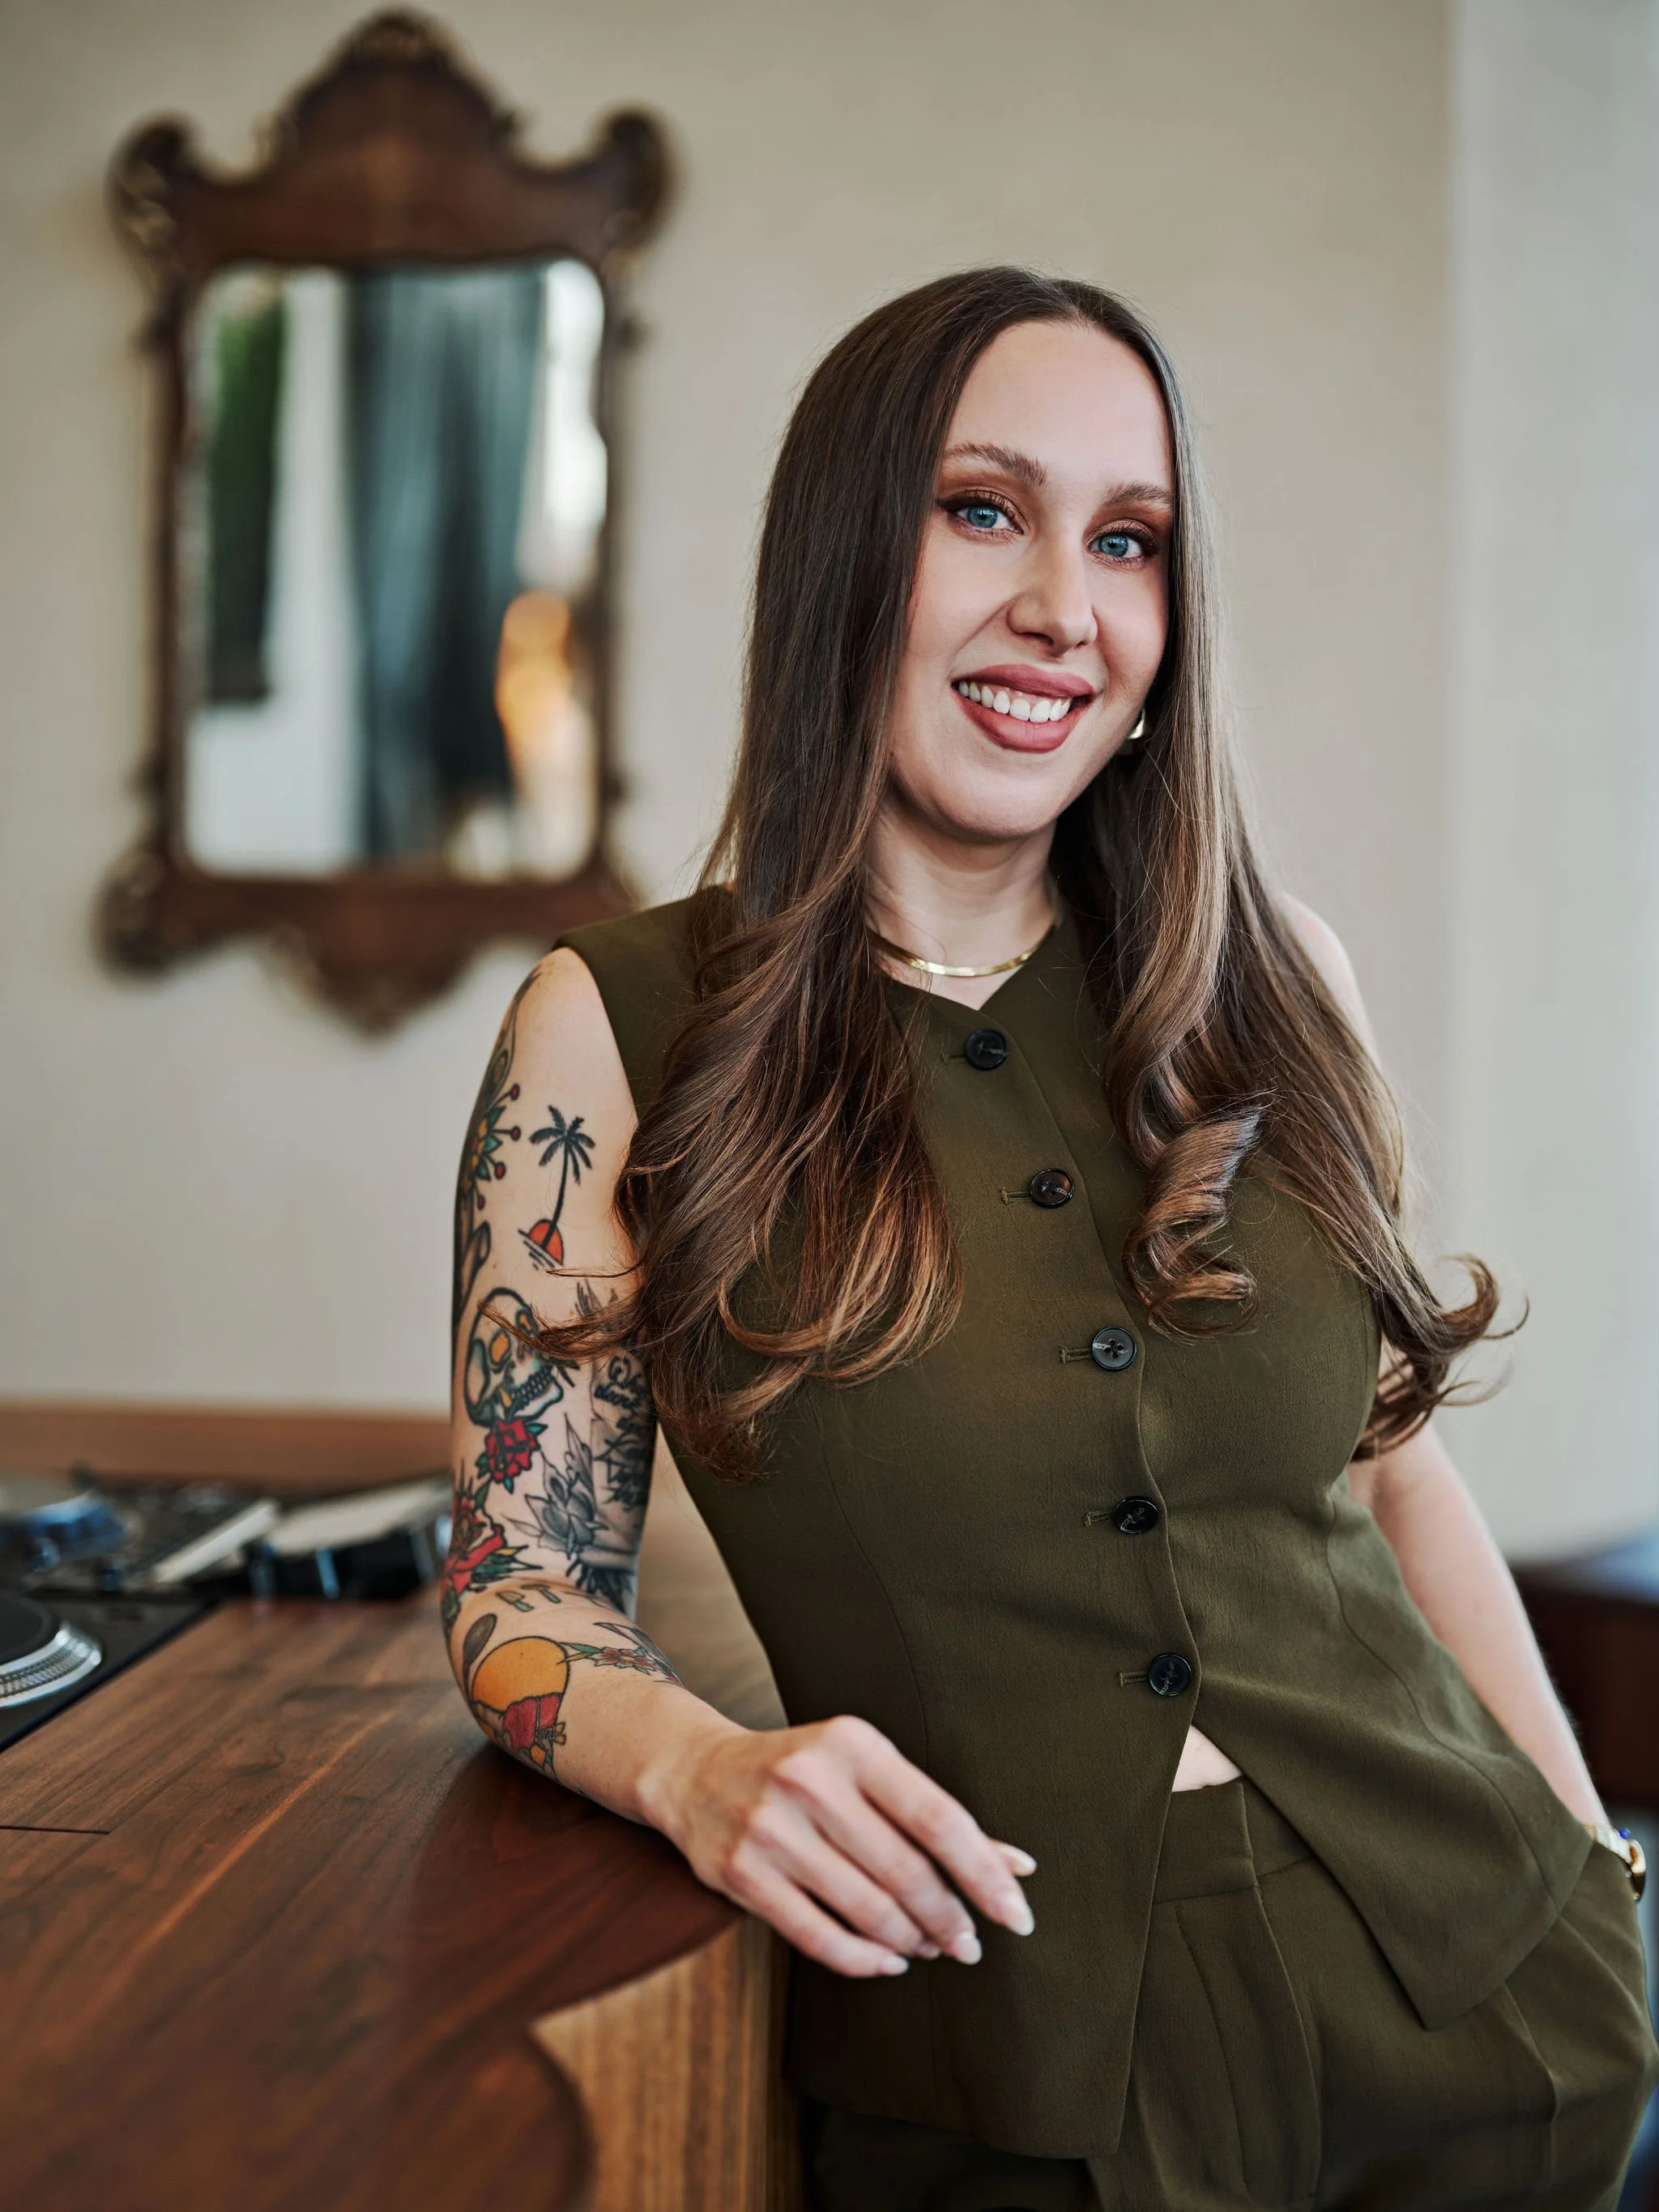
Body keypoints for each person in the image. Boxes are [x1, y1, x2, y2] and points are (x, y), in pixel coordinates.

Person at [444, 267, 1657, 2209]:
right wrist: (697, 1768)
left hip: (1492, 2015)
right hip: (1010, 2076)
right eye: (982, 510)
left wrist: (1599, 1869)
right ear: (846, 554)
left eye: (1131, 542)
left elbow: (1399, 1477)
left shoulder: (1276, 984)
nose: (1060, 611)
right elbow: (518, 1586)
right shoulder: (615, 1031)